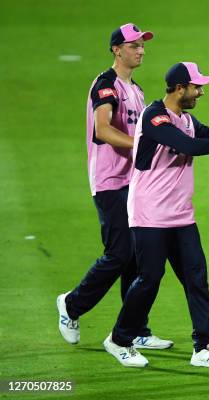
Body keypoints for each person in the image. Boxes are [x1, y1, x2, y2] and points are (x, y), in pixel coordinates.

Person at [103, 62, 209, 368]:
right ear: (180, 88)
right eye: (196, 87)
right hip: (150, 214)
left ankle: (203, 347)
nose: (200, 92)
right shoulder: (155, 116)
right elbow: (189, 146)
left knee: (196, 279)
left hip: (181, 215)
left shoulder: (186, 119)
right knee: (149, 278)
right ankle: (120, 339)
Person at [57, 23, 172, 350]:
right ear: (116, 49)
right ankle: (71, 305)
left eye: (142, 45)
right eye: (134, 45)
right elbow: (103, 129)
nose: (141, 50)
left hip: (133, 182)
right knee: (120, 253)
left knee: (137, 256)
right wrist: (140, 146)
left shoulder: (134, 89)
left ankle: (135, 329)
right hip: (110, 182)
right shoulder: (105, 85)